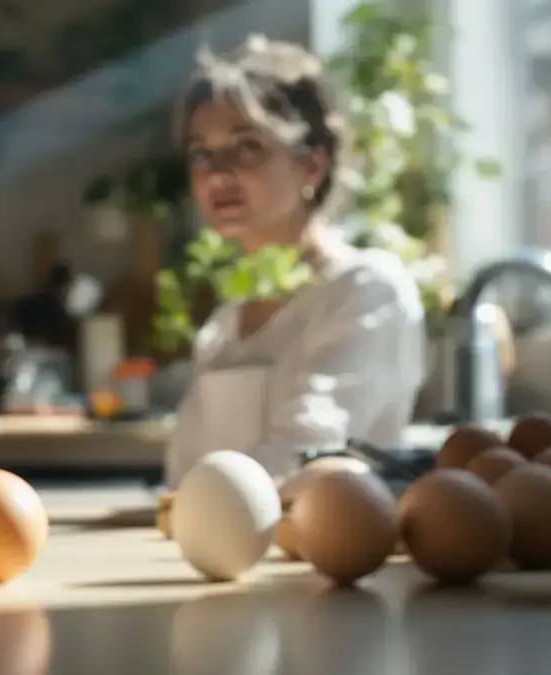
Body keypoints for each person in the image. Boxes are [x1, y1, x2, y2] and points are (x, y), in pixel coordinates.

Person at [164, 35, 427, 488]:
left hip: (319, 557)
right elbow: (182, 476)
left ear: (312, 166)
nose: (218, 173)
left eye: (248, 146)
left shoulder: (366, 290)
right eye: (201, 153)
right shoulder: (222, 329)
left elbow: (307, 451)